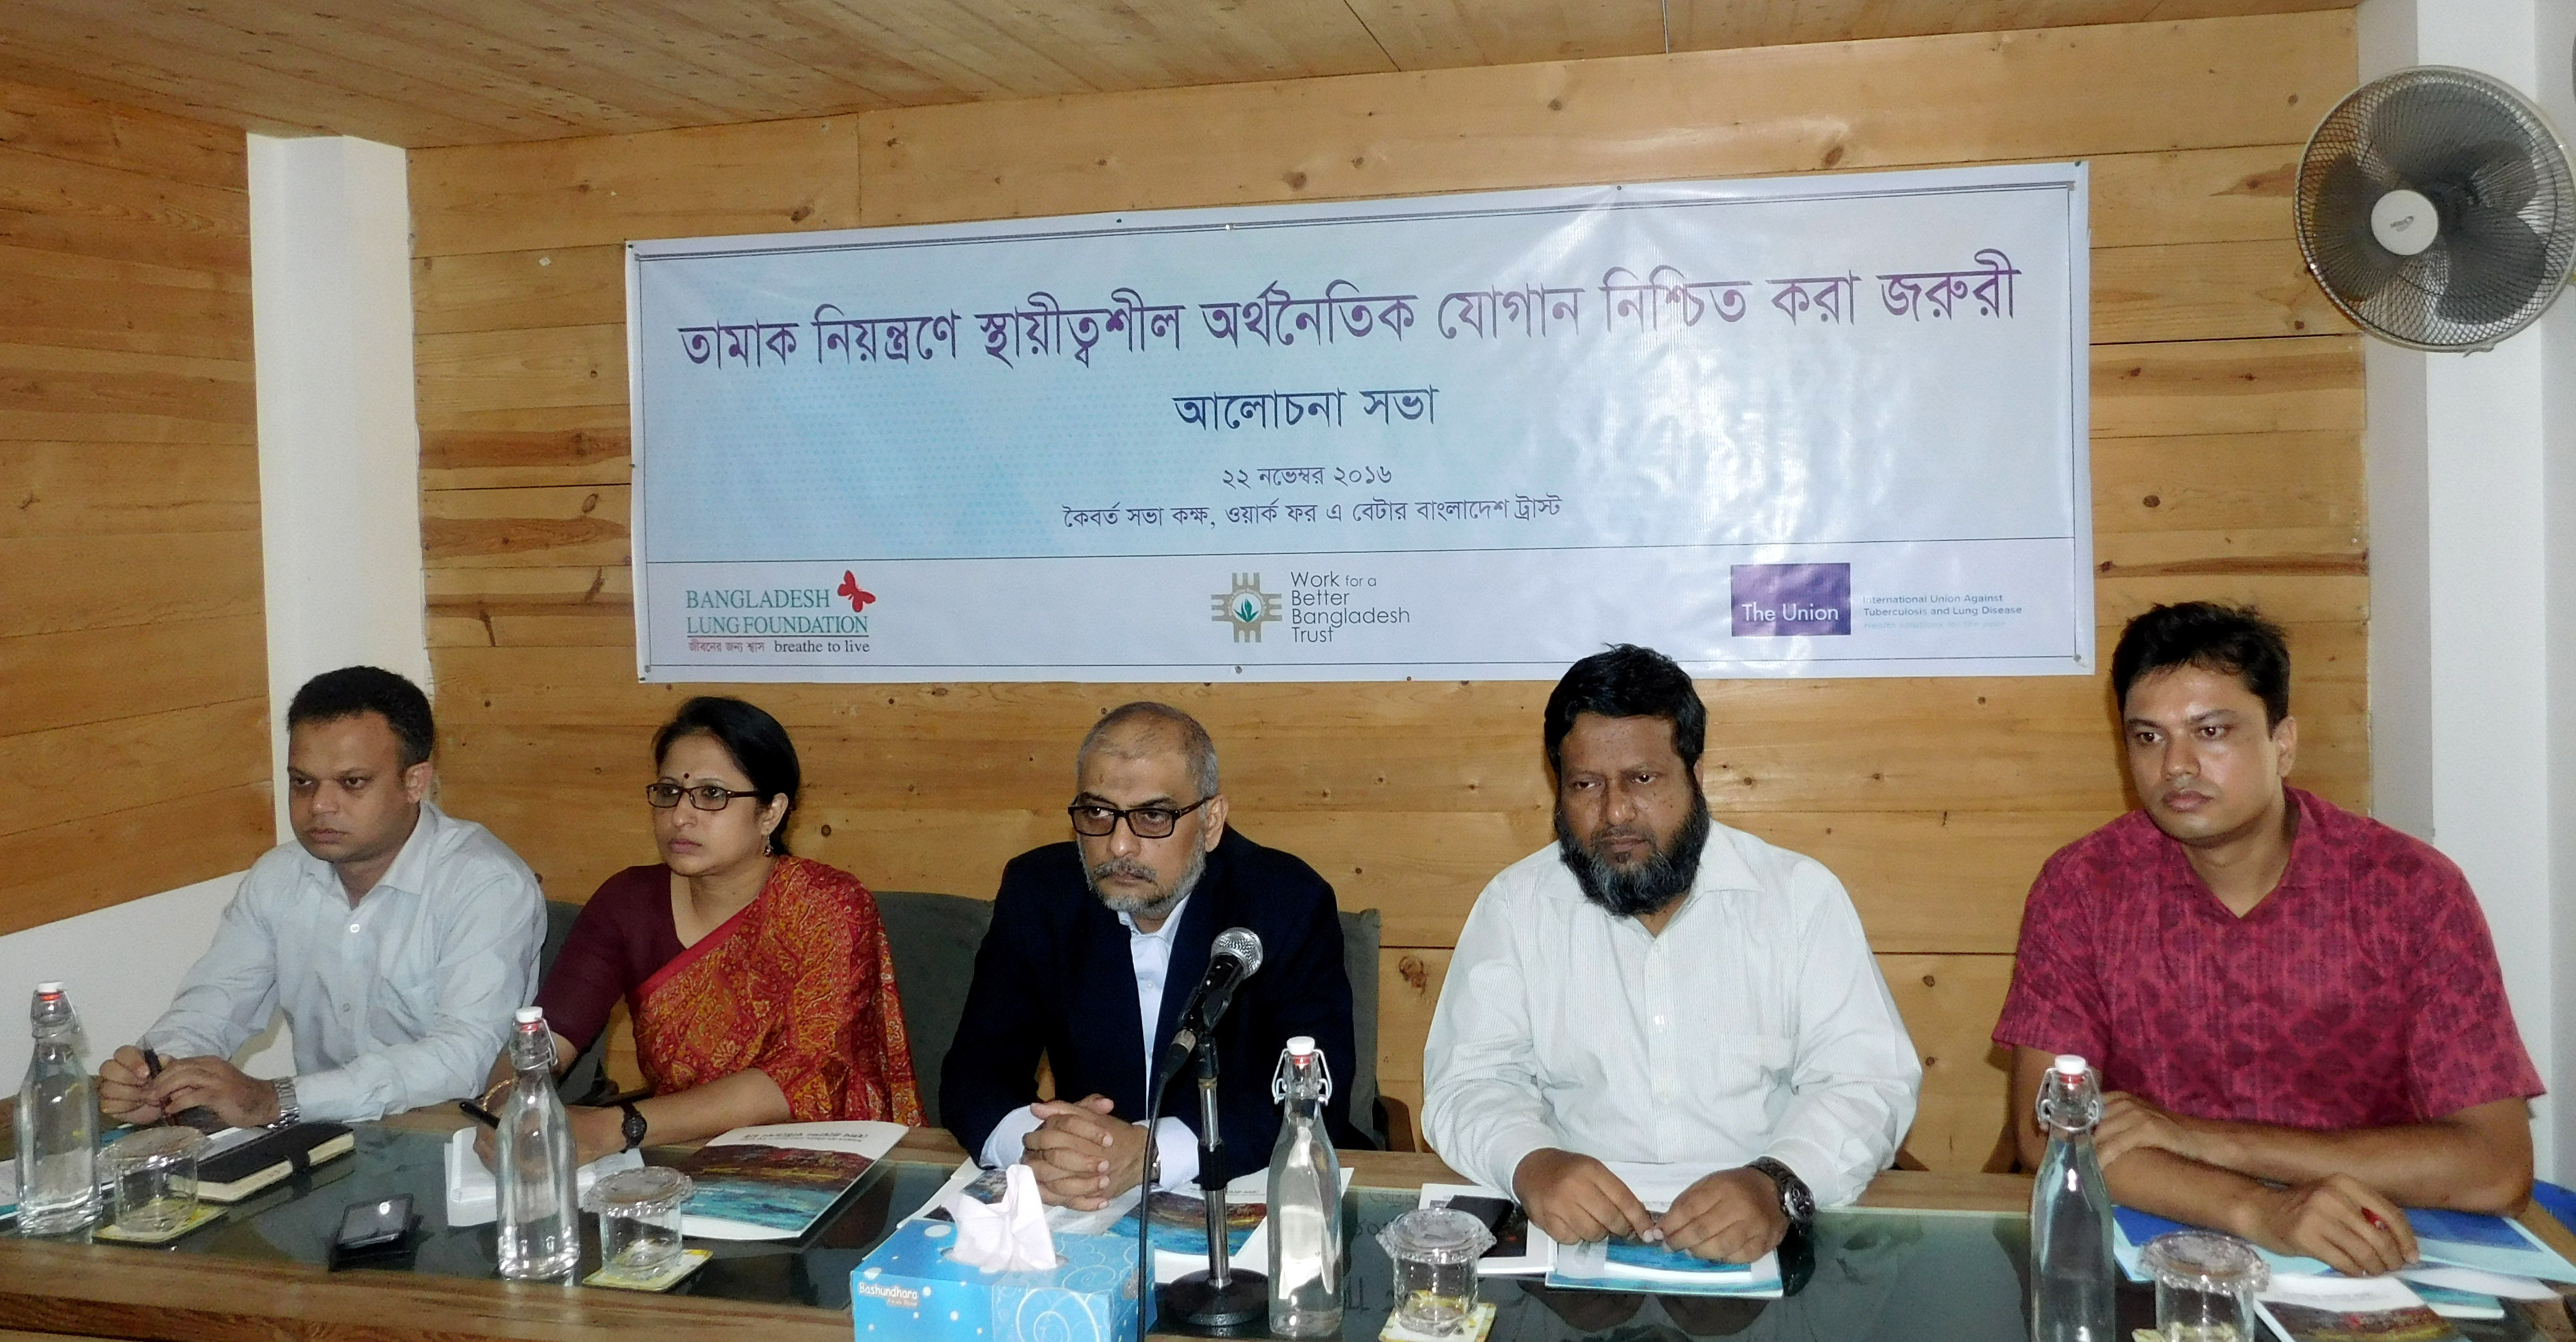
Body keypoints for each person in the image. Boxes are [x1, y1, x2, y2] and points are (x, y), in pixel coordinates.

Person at [1994, 602, 2540, 1276]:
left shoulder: (2408, 890)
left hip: (2375, 1252)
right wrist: (2261, 1210)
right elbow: (2051, 1136)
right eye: (2149, 737)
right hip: (2154, 1249)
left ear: (2283, 744)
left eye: (2211, 731)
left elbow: (2495, 1167)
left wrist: (2206, 1140)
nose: (2176, 766)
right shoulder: (2084, 886)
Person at [1424, 645, 1921, 1264]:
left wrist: (1777, 1181)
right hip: (1573, 1239)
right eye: (1586, 785)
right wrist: (1532, 1162)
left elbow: (1866, 1080)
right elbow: (1470, 1080)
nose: (1615, 812)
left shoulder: (1798, 898)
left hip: (1762, 1231)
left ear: (1695, 774)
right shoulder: (1516, 905)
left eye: (1643, 779)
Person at [943, 701, 1364, 1208]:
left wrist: (1153, 1152)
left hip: (1244, 1189)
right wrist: (1040, 1145)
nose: (1119, 846)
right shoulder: (1040, 893)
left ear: (1211, 821)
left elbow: (1311, 1097)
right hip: (1084, 1201)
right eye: (1098, 813)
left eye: (1152, 816)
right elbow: (975, 1072)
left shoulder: (1284, 902)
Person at [98, 666, 545, 1127]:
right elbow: (216, 1003)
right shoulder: (280, 876)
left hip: (454, 1134)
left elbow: (465, 1058)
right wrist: (158, 1073)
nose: (319, 806)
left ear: (415, 783)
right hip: (324, 1131)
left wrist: (278, 1099)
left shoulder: (485, 884)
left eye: (352, 783)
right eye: (302, 782)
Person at [496, 696, 922, 1167]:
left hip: (825, 1165)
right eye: (668, 792)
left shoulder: (827, 905)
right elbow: (547, 1037)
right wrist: (506, 1104)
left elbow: (804, 1077)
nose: (681, 815)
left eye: (713, 794)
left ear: (771, 812)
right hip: (682, 1159)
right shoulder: (628, 902)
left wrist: (620, 1126)